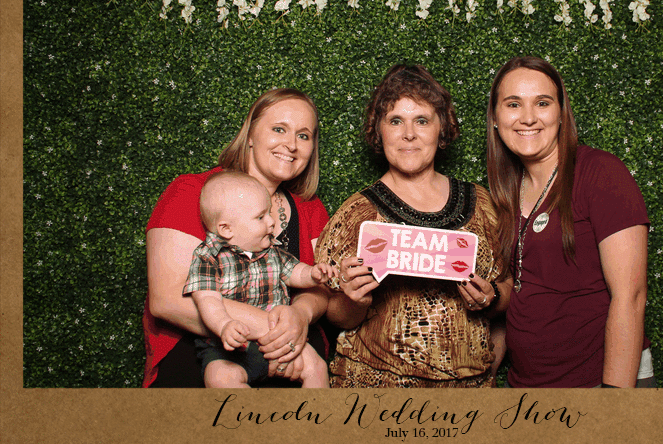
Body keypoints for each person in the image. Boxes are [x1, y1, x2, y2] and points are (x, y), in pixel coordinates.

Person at [316, 64, 512, 387]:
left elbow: (508, 288)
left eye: (421, 120)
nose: (409, 134)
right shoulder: (356, 214)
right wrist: (352, 300)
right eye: (396, 121)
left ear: (441, 128)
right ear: (379, 130)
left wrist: (490, 299)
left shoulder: (481, 203)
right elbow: (331, 312)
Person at [486, 56, 655, 388]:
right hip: (526, 384)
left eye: (543, 103)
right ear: (495, 118)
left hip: (598, 385)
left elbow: (631, 297)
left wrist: (615, 401)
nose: (528, 117)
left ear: (562, 114)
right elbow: (521, 295)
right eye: (513, 104)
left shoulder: (600, 173)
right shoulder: (507, 192)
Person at [143, 88, 330, 387]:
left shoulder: (310, 209)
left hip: (292, 367)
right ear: (250, 134)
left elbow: (321, 287)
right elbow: (167, 300)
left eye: (304, 135)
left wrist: (301, 314)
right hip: (205, 356)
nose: (292, 144)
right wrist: (282, 336)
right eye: (279, 129)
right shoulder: (191, 191)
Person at [183, 171, 335, 388]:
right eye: (260, 217)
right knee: (219, 378)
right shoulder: (208, 257)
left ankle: (317, 410)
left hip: (279, 341)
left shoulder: (272, 251)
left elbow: (295, 272)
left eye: (269, 214)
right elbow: (207, 300)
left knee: (316, 367)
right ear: (226, 229)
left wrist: (313, 274)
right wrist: (224, 325)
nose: (272, 222)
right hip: (230, 348)